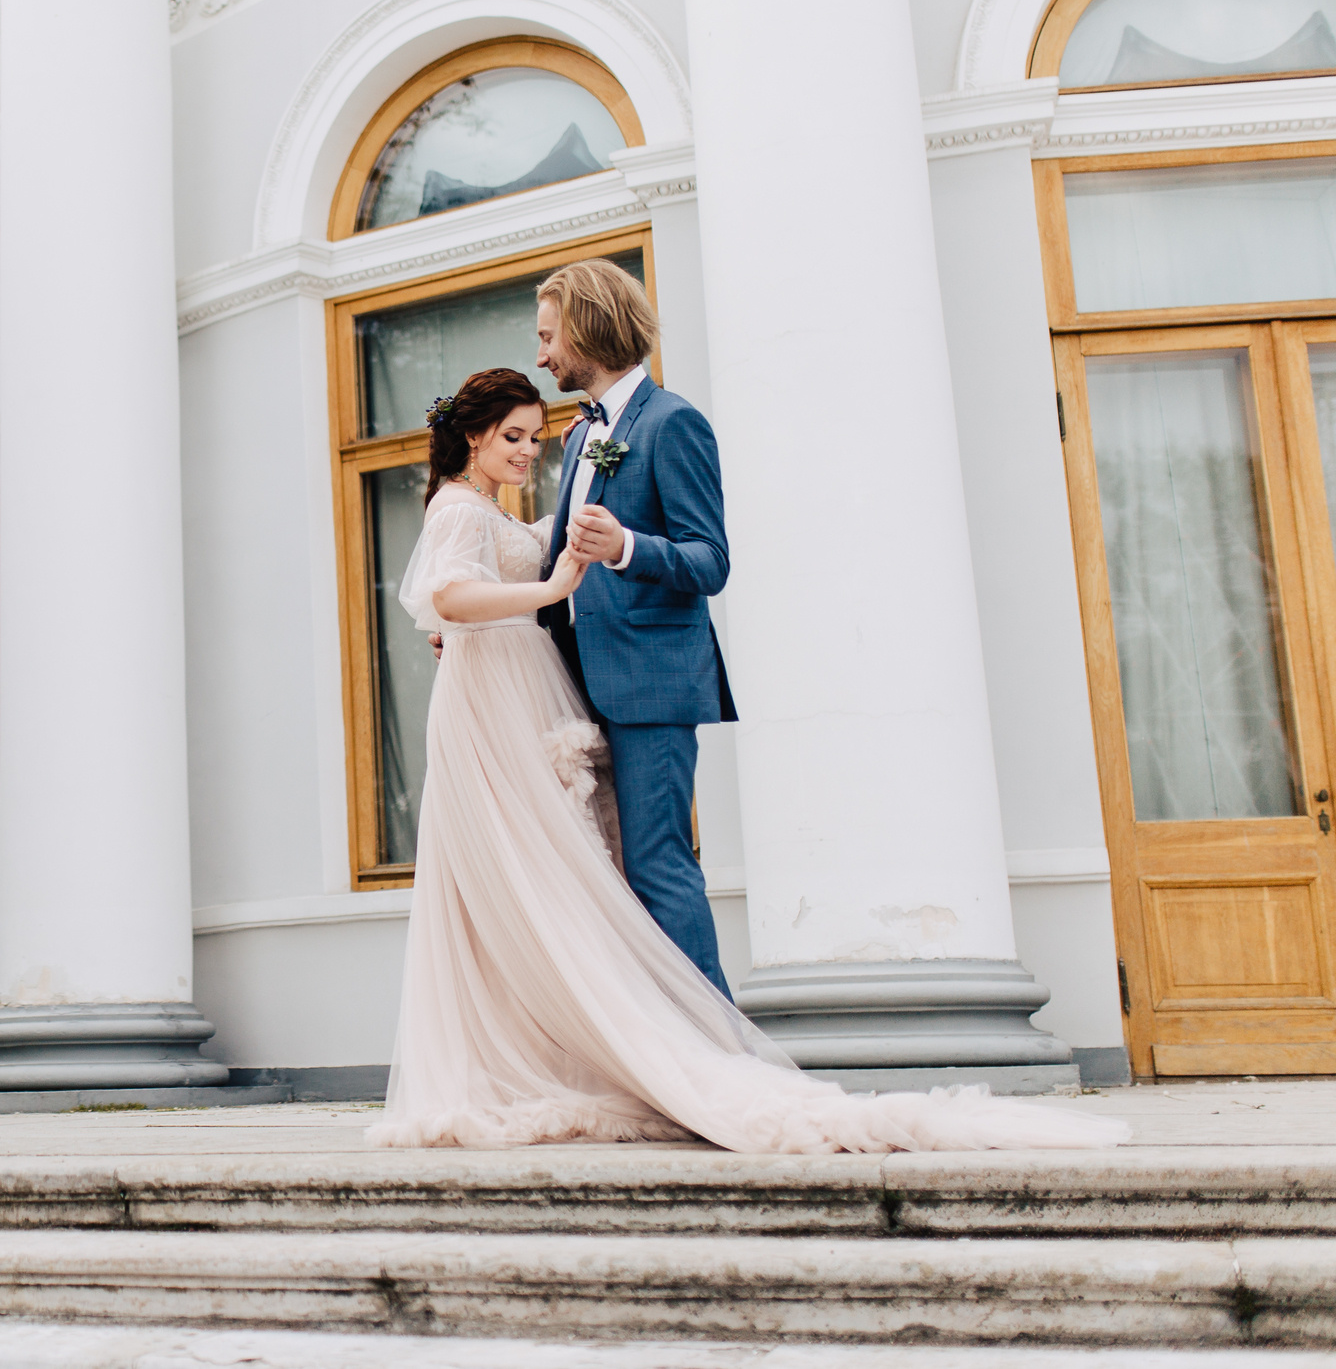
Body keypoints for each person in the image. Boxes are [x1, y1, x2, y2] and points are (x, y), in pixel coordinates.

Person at [367, 361, 1125, 1151]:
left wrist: (541, 588)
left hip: (515, 689)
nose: (529, 451)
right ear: (476, 436)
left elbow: (483, 594)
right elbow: (448, 597)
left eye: (535, 437)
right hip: (490, 703)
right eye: (514, 438)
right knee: (536, 874)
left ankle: (613, 1044)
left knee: (561, 872)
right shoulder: (459, 507)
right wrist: (547, 590)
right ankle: (565, 1051)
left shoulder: (492, 504)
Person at [533, 258, 734, 996]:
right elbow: (560, 560)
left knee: (657, 862)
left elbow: (709, 560)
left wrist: (624, 546)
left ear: (588, 327)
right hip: (582, 680)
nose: (542, 354)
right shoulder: (583, 436)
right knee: (609, 868)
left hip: (650, 683)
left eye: (549, 335)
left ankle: (723, 1058)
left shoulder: (673, 421)